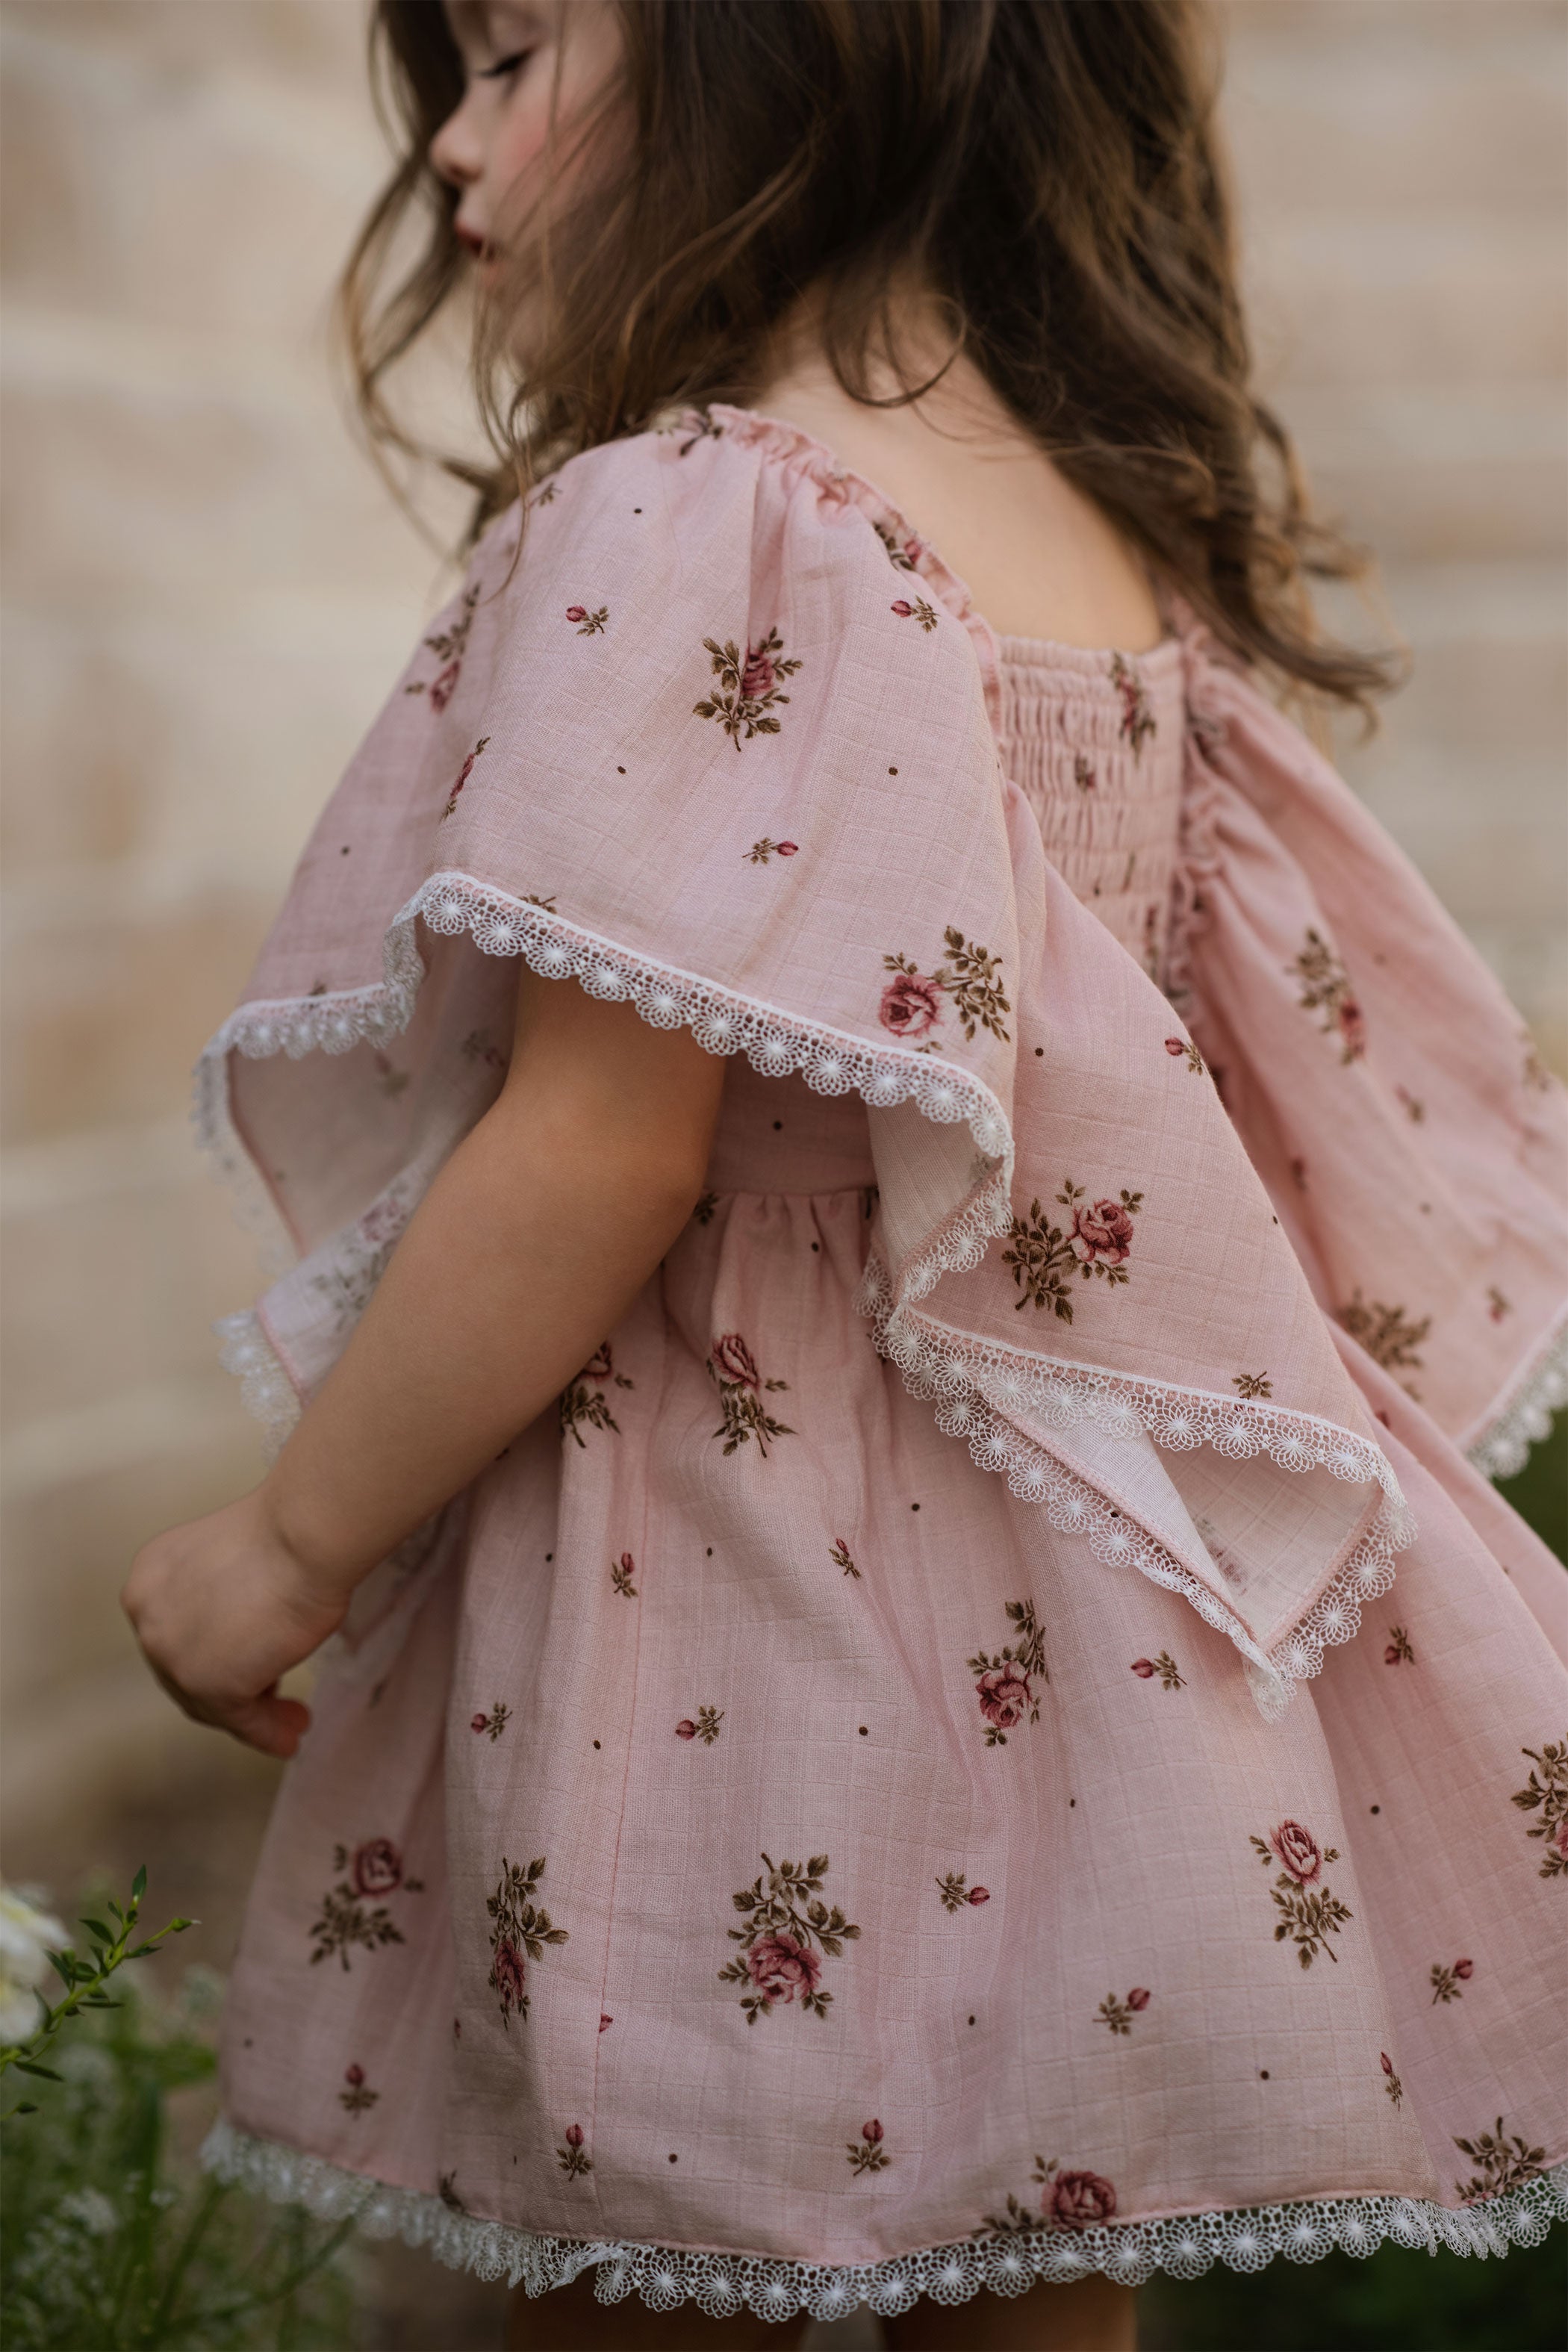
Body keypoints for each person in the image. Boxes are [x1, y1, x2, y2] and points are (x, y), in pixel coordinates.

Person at [121, 4, 1567, 2346]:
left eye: (514, 54)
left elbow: (601, 1141)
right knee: (1033, 2261)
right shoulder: (1096, 528)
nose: (457, 154)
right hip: (1072, 1619)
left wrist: (287, 1547)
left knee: (642, 2253)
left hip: (724, 1582)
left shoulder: (711, 512)